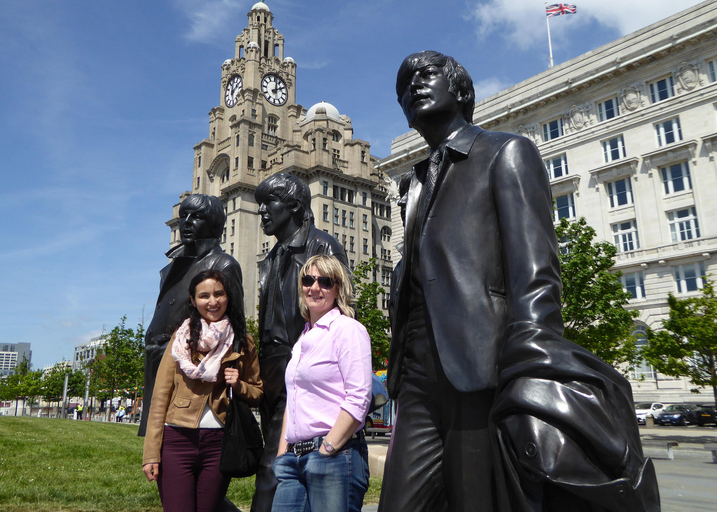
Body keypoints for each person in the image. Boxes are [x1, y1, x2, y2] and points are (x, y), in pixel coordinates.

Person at [380, 51, 659, 511]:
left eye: (425, 74)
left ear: (460, 89)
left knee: (480, 502)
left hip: (483, 370)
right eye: (402, 86)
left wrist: (530, 371)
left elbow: (536, 274)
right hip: (415, 379)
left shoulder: (505, 152)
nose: (412, 86)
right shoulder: (414, 183)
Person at [252, 173, 348, 512]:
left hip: (303, 370)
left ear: (292, 205)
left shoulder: (321, 247)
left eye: (269, 203)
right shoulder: (273, 256)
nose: (261, 211)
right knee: (285, 466)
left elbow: (340, 314)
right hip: (271, 373)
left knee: (271, 469)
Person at [143, 270, 263, 512]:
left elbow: (258, 392)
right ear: (193, 301)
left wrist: (239, 385)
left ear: (228, 298)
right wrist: (151, 454)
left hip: (219, 442)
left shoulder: (242, 341)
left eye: (219, 294)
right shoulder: (181, 339)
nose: (212, 301)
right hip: (177, 440)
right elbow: (159, 398)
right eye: (204, 296)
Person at [271, 255, 371, 512]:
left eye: (325, 281)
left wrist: (327, 448)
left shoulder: (347, 329)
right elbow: (293, 401)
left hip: (334, 457)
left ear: (338, 289)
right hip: (292, 461)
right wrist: (283, 452)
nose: (314, 287)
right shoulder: (303, 339)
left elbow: (358, 397)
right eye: (308, 280)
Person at [139, 194, 243, 437]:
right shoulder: (177, 263)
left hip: (192, 375)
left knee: (179, 441)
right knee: (159, 443)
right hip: (160, 363)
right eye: (183, 216)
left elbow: (237, 325)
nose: (186, 222)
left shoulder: (223, 264)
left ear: (215, 224)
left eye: (196, 217)